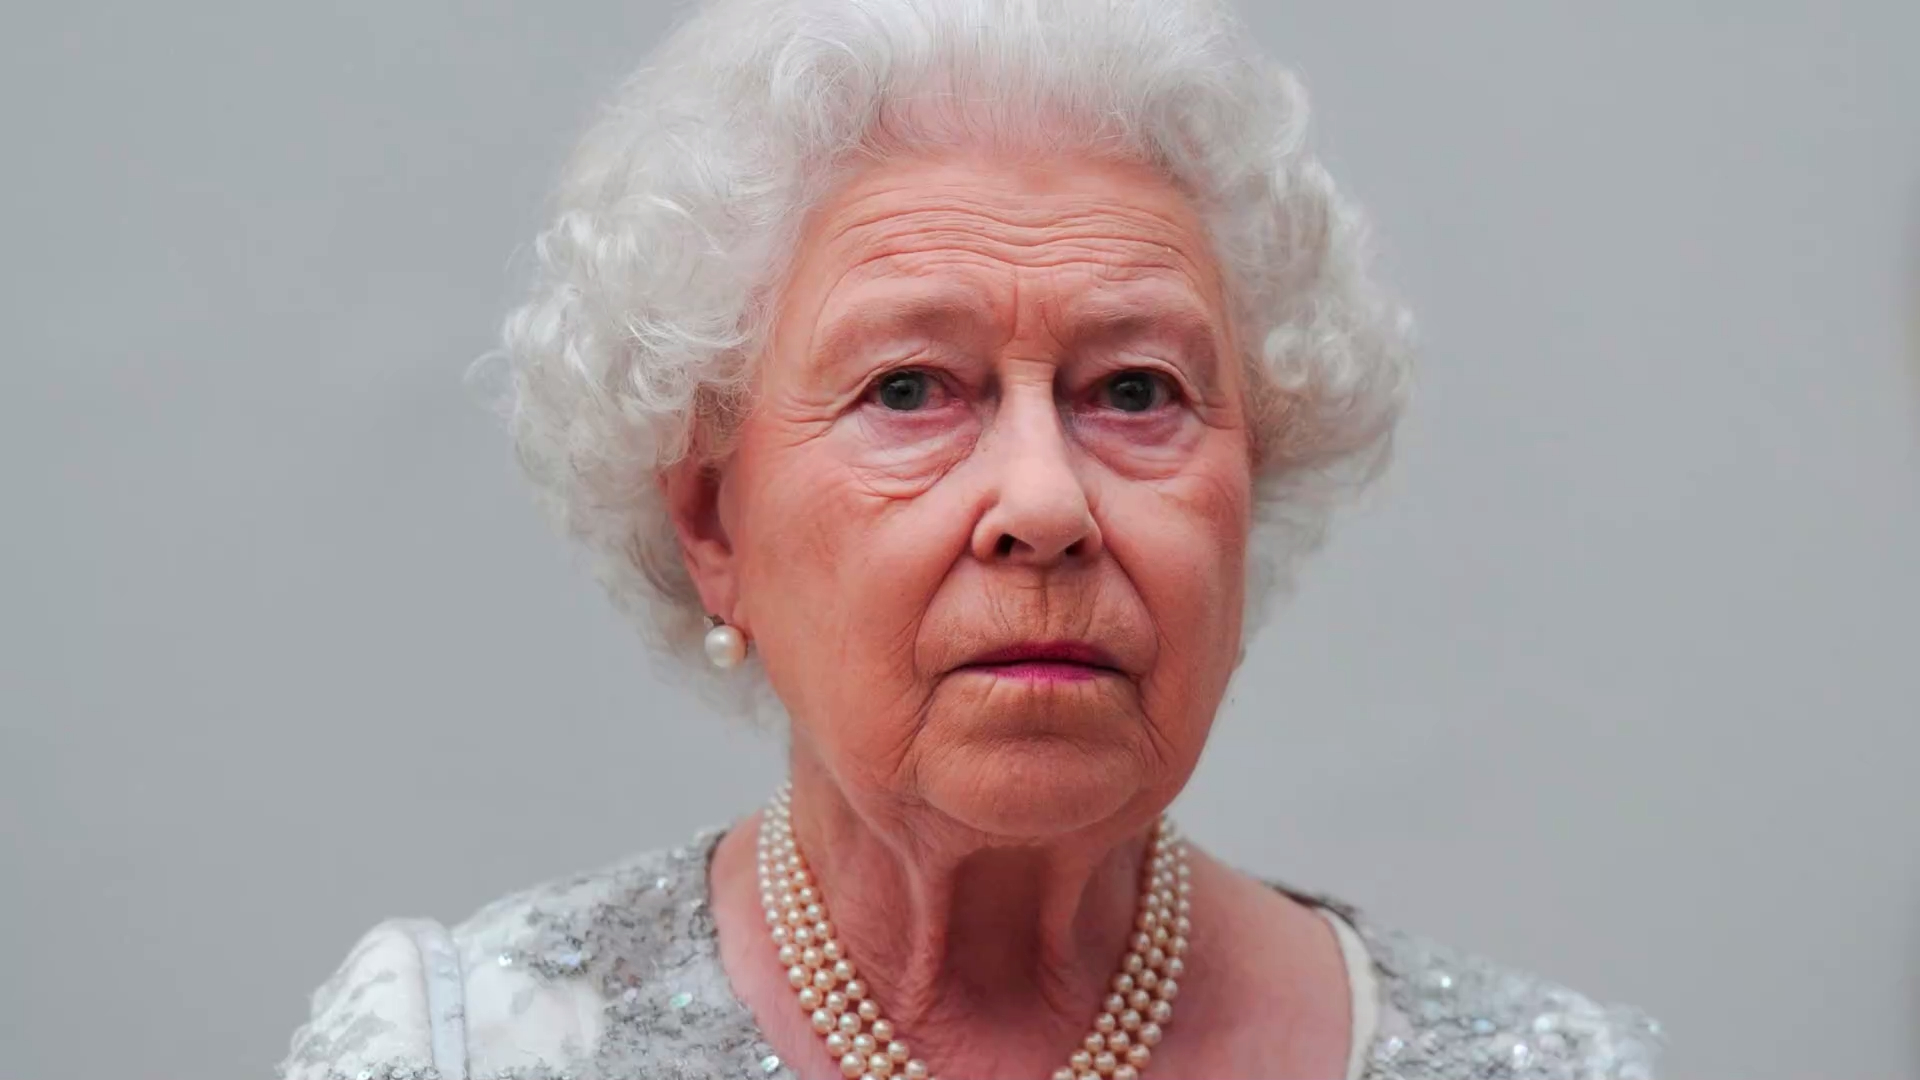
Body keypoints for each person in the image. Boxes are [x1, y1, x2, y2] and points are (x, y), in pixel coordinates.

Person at [281, 0, 1663, 1077]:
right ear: (711, 520)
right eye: (908, 390)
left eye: (1136, 391)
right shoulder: (454, 1052)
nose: (1045, 506)